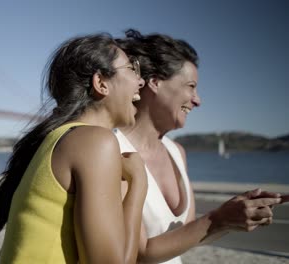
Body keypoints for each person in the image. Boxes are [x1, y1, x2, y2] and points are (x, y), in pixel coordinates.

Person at [115, 29, 286, 264]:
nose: (198, 100)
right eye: (191, 86)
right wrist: (218, 219)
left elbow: (188, 235)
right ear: (155, 82)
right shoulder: (111, 149)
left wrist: (235, 215)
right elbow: (136, 253)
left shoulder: (177, 153)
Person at [0, 33, 147, 263]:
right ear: (101, 83)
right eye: (133, 69)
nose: (141, 80)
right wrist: (139, 184)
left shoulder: (59, 138)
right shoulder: (94, 142)